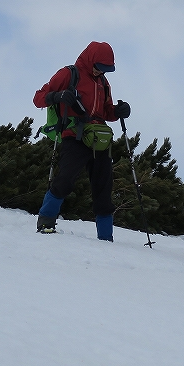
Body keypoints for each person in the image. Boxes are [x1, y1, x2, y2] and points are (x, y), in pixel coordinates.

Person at [32, 41, 130, 240]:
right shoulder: (69, 74)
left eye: (105, 70)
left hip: (99, 139)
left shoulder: (103, 82)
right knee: (65, 180)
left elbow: (106, 111)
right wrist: (59, 95)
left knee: (103, 189)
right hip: (74, 136)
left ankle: (106, 238)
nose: (100, 72)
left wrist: (118, 112)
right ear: (90, 59)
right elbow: (38, 98)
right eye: (98, 67)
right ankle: (46, 222)